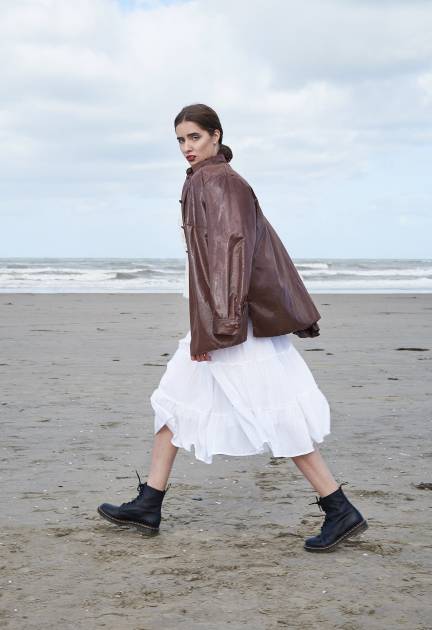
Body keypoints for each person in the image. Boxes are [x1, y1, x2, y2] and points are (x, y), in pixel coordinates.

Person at [97, 103, 368, 552]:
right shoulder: (206, 179)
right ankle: (149, 503)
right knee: (173, 402)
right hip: (218, 318)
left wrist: (216, 328)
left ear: (216, 135)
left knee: (274, 410)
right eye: (180, 140)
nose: (187, 147)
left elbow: (231, 254)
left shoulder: (219, 181)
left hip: (231, 324)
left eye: (195, 137)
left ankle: (339, 508)